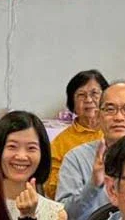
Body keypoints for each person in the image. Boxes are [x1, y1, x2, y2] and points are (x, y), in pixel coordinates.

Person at [54, 80, 125, 220]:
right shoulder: (76, 158)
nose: (119, 117)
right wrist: (93, 185)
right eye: (110, 109)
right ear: (98, 116)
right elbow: (65, 219)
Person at [46, 70, 108, 198]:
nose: (89, 100)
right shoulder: (60, 142)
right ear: (72, 103)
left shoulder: (114, 133)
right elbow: (53, 189)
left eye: (94, 93)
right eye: (81, 95)